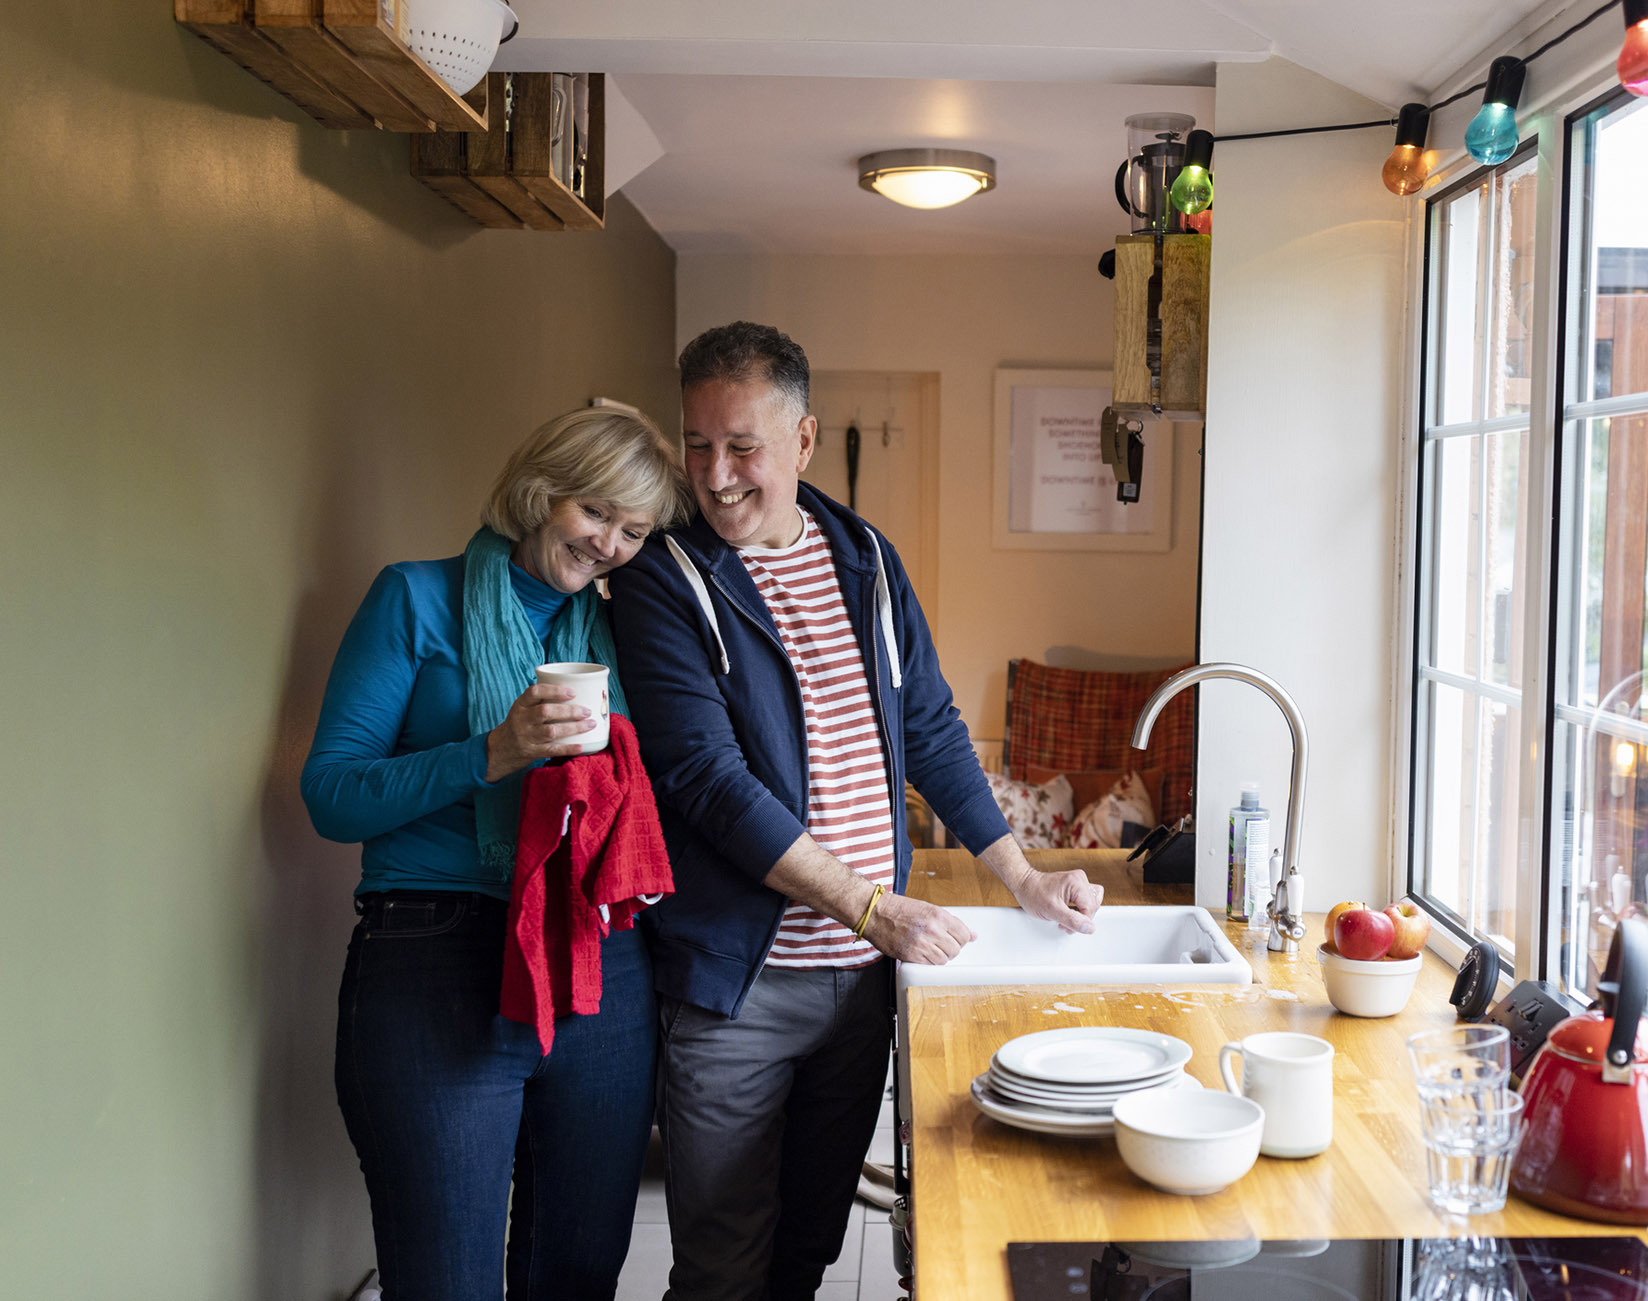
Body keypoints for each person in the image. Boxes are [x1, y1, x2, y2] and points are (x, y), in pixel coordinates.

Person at [607, 322, 1104, 1301]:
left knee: (808, 1248)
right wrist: (876, 907)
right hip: (737, 990)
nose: (714, 475)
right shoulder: (665, 580)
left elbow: (927, 722)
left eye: (742, 445)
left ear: (802, 440)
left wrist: (1023, 873)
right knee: (722, 1266)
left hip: (862, 990)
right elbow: (707, 779)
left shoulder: (863, 556)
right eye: (696, 444)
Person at [300, 406, 692, 1301]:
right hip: (436, 951)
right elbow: (330, 794)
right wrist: (491, 753)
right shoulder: (413, 598)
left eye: (634, 532)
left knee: (581, 1268)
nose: (609, 546)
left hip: (594, 955)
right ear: (542, 488)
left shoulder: (616, 629)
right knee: (448, 1278)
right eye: (596, 513)